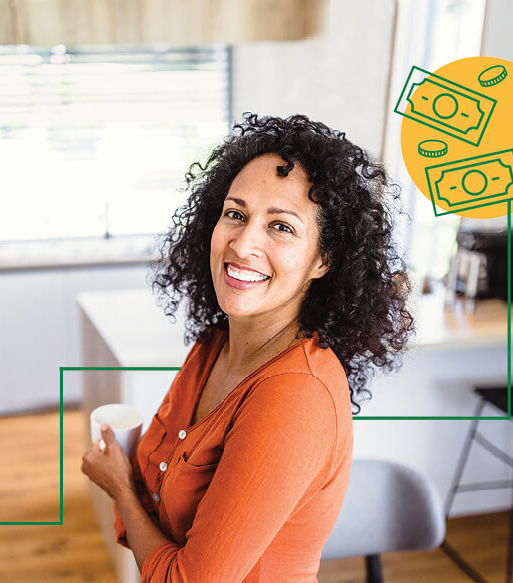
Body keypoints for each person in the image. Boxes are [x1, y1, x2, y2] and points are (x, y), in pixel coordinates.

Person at [81, 113, 413, 582]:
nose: (242, 243)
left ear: (322, 260)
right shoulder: (215, 343)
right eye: (235, 214)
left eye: (281, 227)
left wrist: (119, 487)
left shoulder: (297, 395)